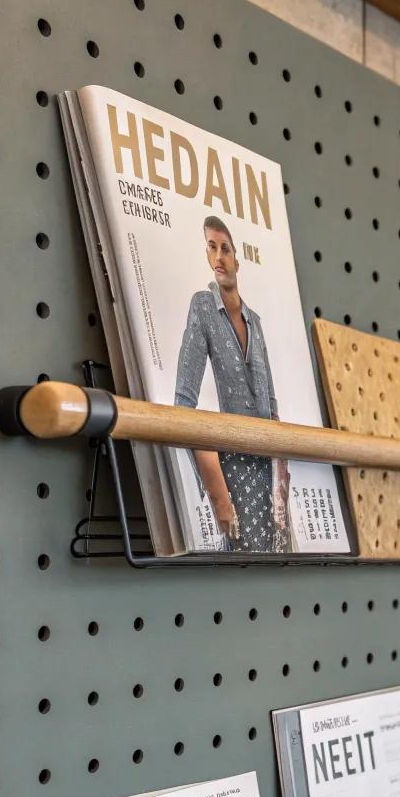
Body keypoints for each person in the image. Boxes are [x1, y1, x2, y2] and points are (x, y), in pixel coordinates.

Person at [174, 215, 290, 552]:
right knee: (244, 561)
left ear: (237, 259)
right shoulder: (203, 307)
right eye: (212, 248)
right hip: (235, 470)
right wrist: (218, 494)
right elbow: (183, 407)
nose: (219, 256)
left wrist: (282, 479)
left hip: (271, 473)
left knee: (279, 560)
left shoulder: (256, 323)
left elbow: (272, 407)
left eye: (225, 248)